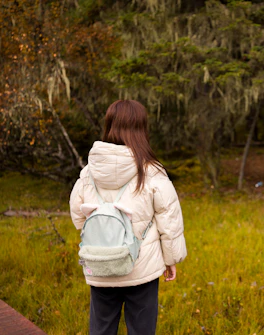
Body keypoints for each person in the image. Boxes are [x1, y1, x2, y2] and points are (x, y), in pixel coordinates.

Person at [69, 100, 187, 335]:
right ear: (141, 129)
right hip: (141, 269)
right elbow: (169, 220)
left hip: (100, 265)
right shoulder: (152, 171)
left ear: (109, 125)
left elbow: (77, 218)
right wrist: (171, 258)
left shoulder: (89, 172)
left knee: (101, 330)